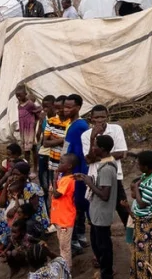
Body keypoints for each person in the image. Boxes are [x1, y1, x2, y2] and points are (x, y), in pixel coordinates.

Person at [82, 105, 129, 226]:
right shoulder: (86, 135)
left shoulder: (116, 129)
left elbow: (122, 153)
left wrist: (95, 158)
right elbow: (88, 160)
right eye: (96, 117)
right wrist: (93, 138)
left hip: (114, 175)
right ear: (91, 118)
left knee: (123, 208)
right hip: (95, 176)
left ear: (107, 117)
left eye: (102, 117)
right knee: (98, 209)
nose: (100, 120)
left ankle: (132, 236)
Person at [79, 134, 117, 279]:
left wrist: (89, 182)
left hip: (102, 212)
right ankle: (104, 270)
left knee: (103, 245)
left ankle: (107, 273)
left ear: (102, 149)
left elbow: (104, 194)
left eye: (95, 145)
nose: (92, 148)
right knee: (97, 242)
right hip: (97, 211)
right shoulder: (105, 163)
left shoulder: (106, 168)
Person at [129, 150, 152, 279]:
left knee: (144, 252)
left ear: (146, 166)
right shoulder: (150, 173)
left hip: (147, 221)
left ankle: (144, 276)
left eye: (139, 164)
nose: (137, 166)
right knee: (142, 250)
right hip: (143, 220)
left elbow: (142, 203)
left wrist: (137, 188)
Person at [62, 94, 89, 251]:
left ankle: (76, 238)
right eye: (65, 106)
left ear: (78, 108)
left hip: (75, 171)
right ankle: (79, 236)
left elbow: (78, 154)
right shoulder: (72, 124)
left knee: (74, 204)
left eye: (69, 107)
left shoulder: (79, 126)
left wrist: (68, 172)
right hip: (72, 168)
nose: (66, 110)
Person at [41, 96, 69, 205]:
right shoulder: (52, 121)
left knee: (66, 192)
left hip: (67, 165)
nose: (57, 111)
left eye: (60, 108)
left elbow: (68, 143)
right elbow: (45, 143)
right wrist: (61, 139)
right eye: (56, 108)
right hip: (53, 164)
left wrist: (53, 138)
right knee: (54, 190)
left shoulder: (71, 122)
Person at [51, 154, 77, 270]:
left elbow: (56, 194)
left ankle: (67, 270)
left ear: (69, 166)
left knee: (64, 246)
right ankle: (64, 268)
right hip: (60, 217)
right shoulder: (64, 178)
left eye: (61, 162)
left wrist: (54, 179)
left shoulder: (68, 180)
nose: (59, 164)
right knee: (62, 245)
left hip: (65, 219)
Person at [15, 88, 42, 178]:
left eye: (20, 95)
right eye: (16, 95)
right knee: (26, 151)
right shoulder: (19, 105)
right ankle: (26, 169)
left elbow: (37, 113)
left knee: (33, 149)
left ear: (25, 94)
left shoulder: (30, 104)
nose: (18, 97)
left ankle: (35, 168)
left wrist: (34, 124)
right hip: (24, 130)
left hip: (30, 130)